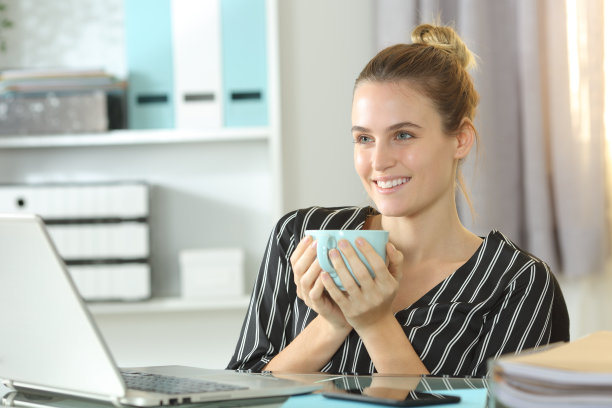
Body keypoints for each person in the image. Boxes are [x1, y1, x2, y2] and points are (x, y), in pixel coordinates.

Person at [227, 23, 569, 377]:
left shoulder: (518, 284)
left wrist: (375, 323)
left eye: (403, 135)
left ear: (461, 139)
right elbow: (239, 391)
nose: (378, 161)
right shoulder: (299, 237)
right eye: (363, 138)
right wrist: (331, 325)